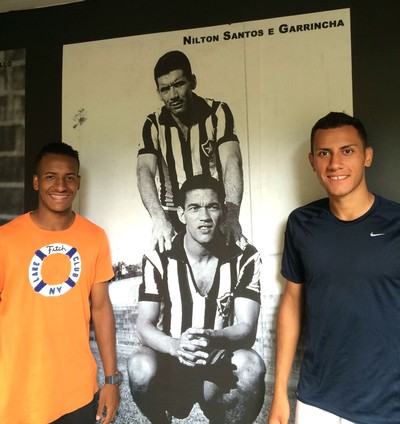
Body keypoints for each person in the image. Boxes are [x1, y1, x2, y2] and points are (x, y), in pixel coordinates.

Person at [269, 111, 400, 424]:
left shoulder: (396, 223)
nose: (335, 164)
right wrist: (279, 394)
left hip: (385, 405)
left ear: (367, 156)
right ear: (313, 161)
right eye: (325, 153)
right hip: (316, 402)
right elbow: (291, 303)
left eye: (347, 151)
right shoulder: (301, 224)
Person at [128, 174, 265, 423]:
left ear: (223, 210)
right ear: (181, 214)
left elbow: (247, 328)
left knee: (251, 365)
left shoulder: (245, 257)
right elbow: (144, 326)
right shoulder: (158, 258)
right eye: (194, 208)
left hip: (217, 362)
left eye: (212, 206)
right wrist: (176, 346)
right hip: (172, 366)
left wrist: (211, 336)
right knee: (139, 366)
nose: (204, 217)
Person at [0, 142, 121, 423]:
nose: (61, 185)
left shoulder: (94, 237)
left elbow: (101, 309)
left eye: (69, 177)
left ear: (78, 182)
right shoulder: (6, 239)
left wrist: (111, 380)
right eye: (50, 176)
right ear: (36, 182)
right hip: (16, 394)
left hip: (76, 395)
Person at [137, 50, 246, 253]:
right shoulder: (152, 123)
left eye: (179, 84)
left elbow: (232, 160)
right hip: (173, 215)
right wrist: (158, 218)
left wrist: (232, 216)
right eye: (165, 89)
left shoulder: (217, 113)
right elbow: (144, 171)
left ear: (192, 82)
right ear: (158, 92)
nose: (173, 95)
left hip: (212, 211)